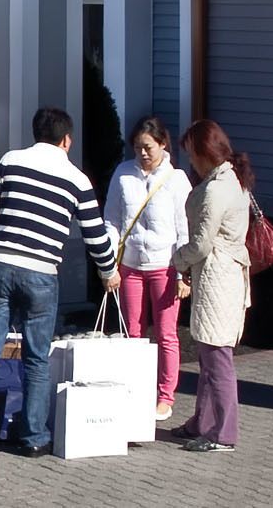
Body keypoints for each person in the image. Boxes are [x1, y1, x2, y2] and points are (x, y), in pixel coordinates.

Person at [0, 105, 118, 458]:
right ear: (67, 140)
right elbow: (95, 235)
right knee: (36, 359)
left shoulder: (10, 161)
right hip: (42, 272)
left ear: (35, 134)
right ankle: (33, 439)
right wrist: (109, 272)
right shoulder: (78, 180)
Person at [171, 118, 254, 452]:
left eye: (192, 153)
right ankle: (202, 422)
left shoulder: (218, 188)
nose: (190, 160)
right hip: (223, 274)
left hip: (218, 276)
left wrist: (177, 261)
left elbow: (202, 243)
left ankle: (224, 432)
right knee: (209, 355)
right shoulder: (230, 181)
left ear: (206, 153)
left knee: (217, 357)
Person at [106, 114, 192, 421]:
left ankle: (165, 395)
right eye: (137, 148)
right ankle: (134, 389)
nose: (142, 153)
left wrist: (183, 274)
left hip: (164, 266)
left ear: (163, 144)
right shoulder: (123, 174)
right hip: (130, 265)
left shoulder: (176, 179)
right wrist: (109, 264)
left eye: (148, 147)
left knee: (166, 334)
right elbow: (112, 219)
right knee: (133, 332)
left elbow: (184, 229)